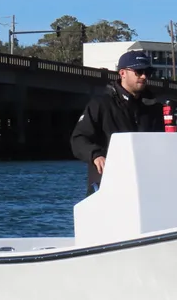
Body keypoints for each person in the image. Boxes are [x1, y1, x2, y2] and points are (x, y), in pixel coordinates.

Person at [70, 50, 165, 195]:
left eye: (148, 72)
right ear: (122, 73)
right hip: (108, 185)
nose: (144, 76)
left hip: (146, 185)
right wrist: (96, 155)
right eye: (139, 71)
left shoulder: (154, 107)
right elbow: (78, 139)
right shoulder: (100, 104)